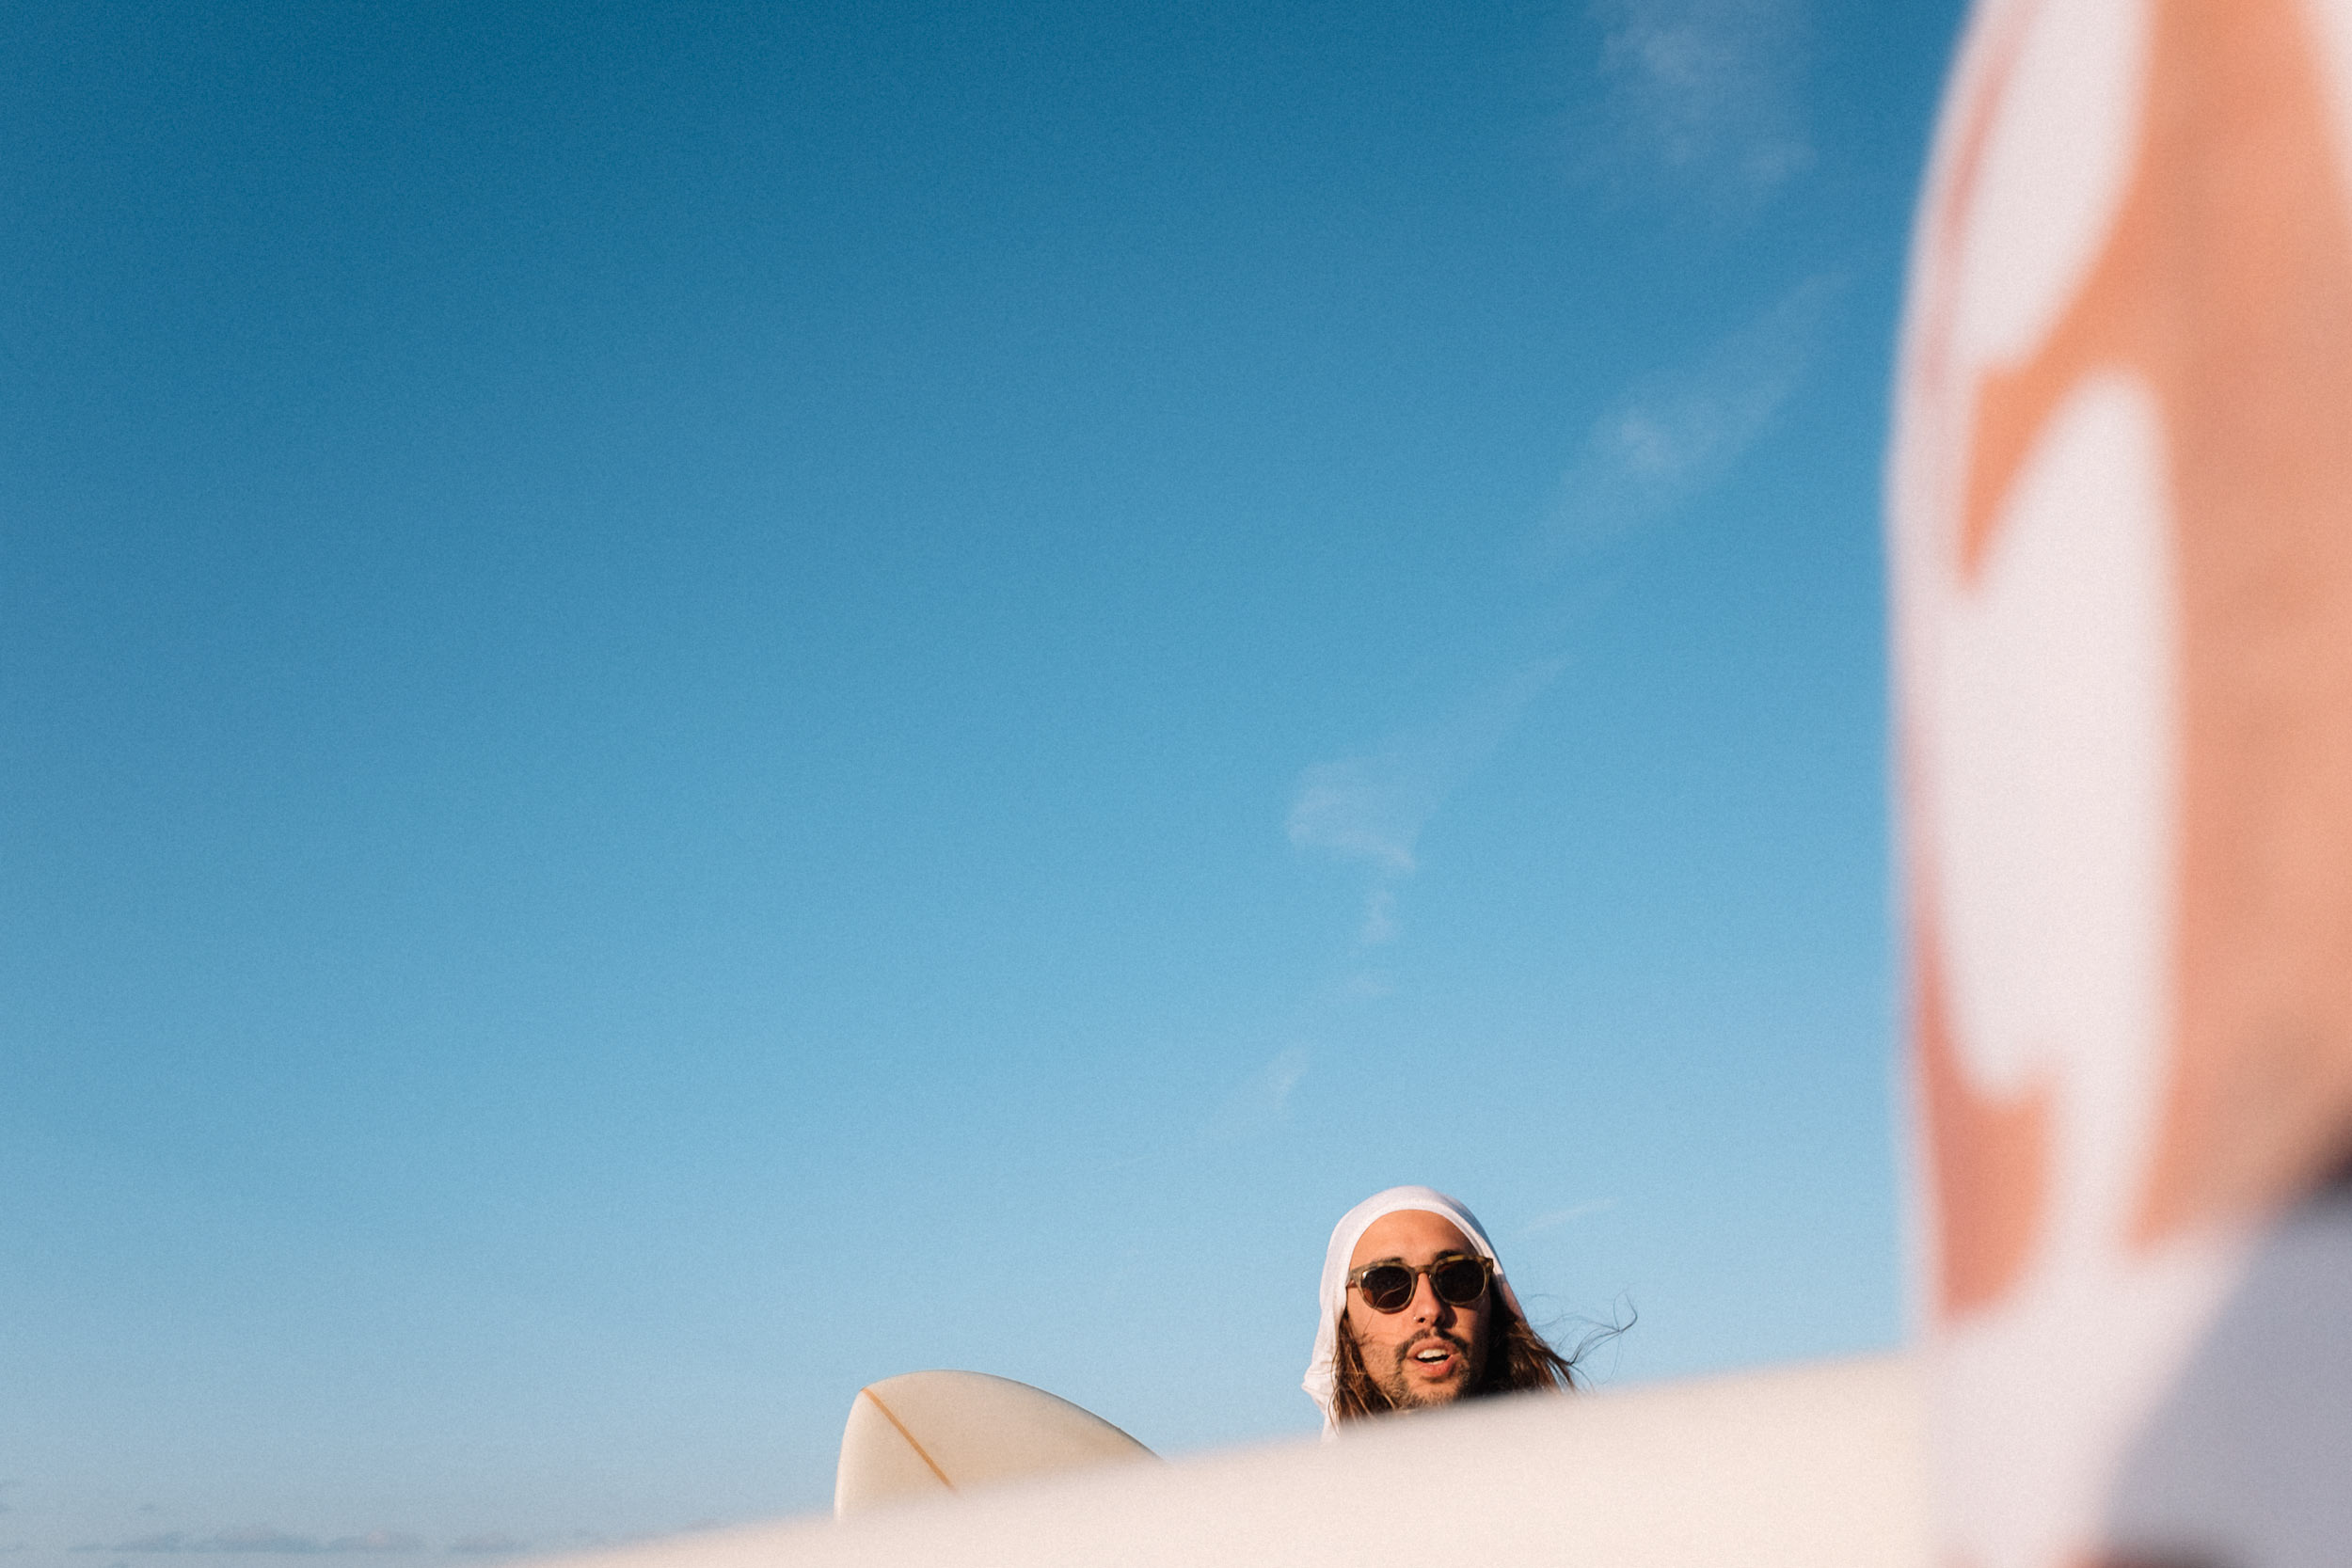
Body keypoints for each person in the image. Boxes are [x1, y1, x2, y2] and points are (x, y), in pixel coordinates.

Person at [1302, 1185, 1579, 1433]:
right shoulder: (1314, 1477)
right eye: (1388, 1284)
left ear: (1493, 1301)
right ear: (1343, 1318)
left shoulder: (1577, 1464)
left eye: (1457, 1277)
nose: (1430, 1309)